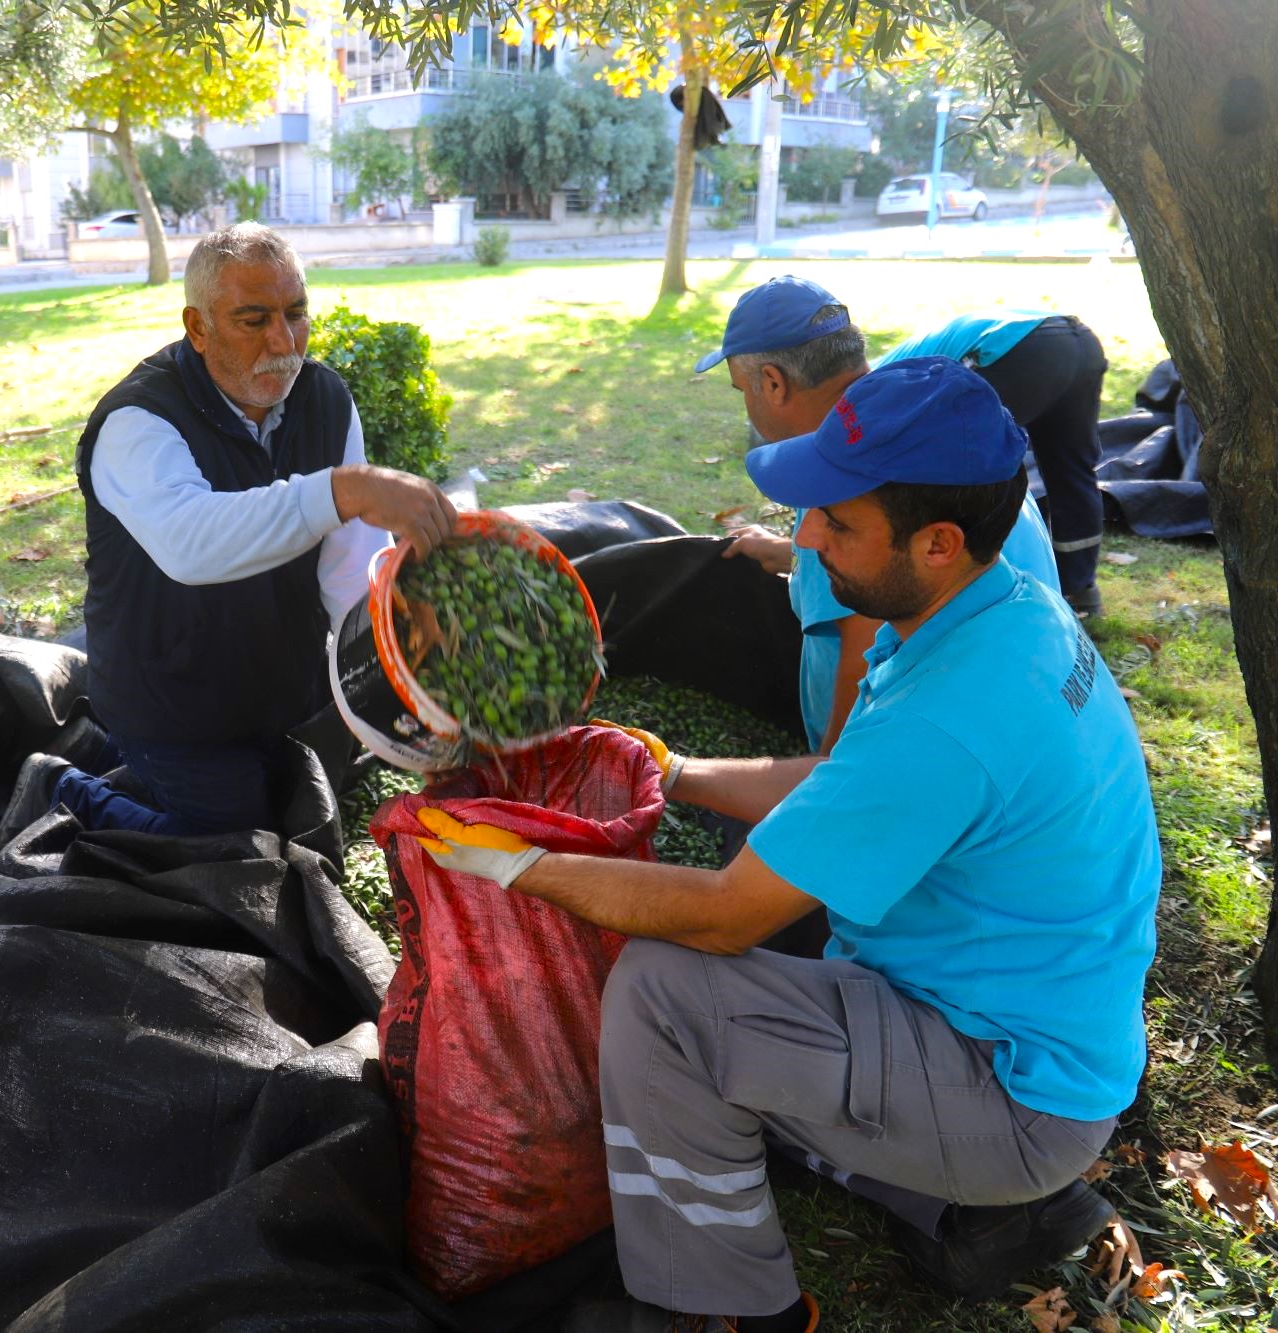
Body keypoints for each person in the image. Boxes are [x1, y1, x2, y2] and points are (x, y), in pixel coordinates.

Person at [414, 359, 1159, 1332]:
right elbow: (843, 783)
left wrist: (519, 865)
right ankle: (918, 1182)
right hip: (1026, 1028)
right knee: (769, 960)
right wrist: (674, 768)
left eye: (837, 523)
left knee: (663, 995)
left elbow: (724, 918)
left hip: (1008, 1090)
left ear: (935, 542)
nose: (803, 536)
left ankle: (737, 1311)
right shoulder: (990, 610)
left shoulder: (953, 711)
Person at [18, 223, 457, 837]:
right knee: (239, 854)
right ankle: (68, 789)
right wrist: (344, 488)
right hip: (171, 703)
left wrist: (404, 675)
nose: (284, 341)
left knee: (304, 821)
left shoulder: (326, 399)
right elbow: (191, 543)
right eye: (254, 320)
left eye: (296, 313)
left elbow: (350, 568)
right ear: (198, 327)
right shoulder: (136, 422)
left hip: (288, 686)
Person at [700, 276, 1060, 752]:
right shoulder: (930, 435)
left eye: (740, 389)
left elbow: (867, 660)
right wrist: (791, 554)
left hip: (926, 748)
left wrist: (821, 775)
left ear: (772, 382)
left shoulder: (841, 473)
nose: (813, 533)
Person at [877, 310, 1111, 615]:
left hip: (1021, 349)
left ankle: (987, 596)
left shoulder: (872, 392)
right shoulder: (889, 368)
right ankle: (1080, 592)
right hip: (1078, 341)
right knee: (1071, 470)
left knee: (973, 474)